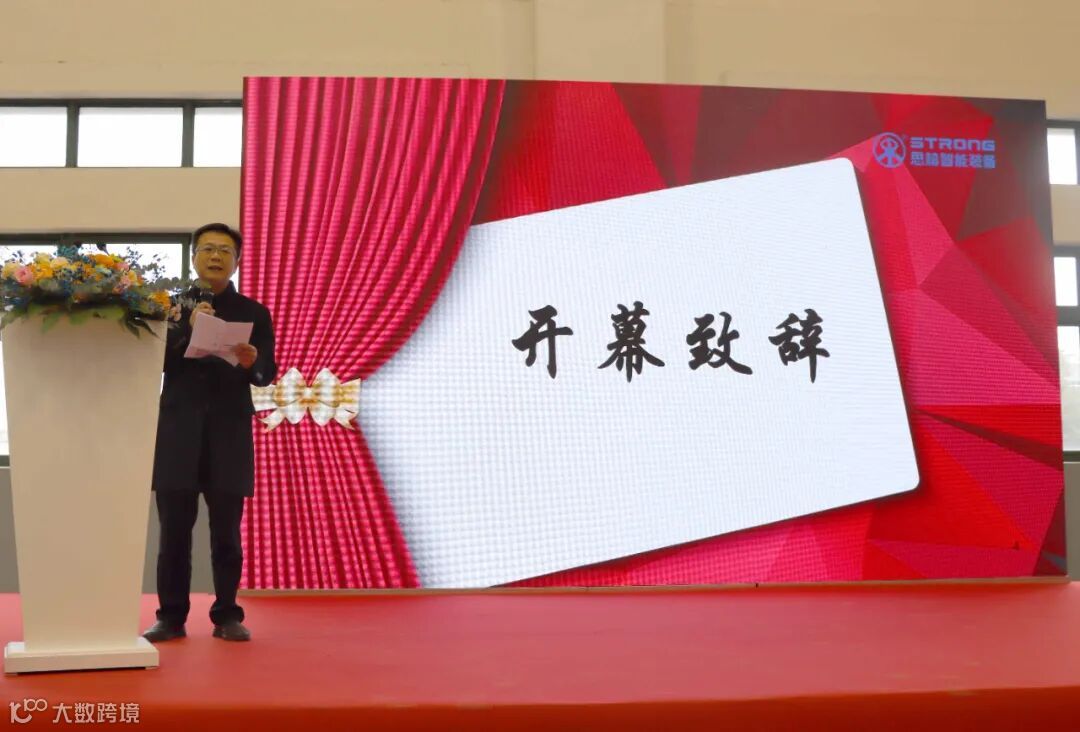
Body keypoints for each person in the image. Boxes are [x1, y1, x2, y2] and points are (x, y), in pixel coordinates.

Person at [142, 223, 277, 643]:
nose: (216, 256)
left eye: (225, 251)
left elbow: (266, 374)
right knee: (173, 534)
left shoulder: (254, 312)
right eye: (207, 249)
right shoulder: (170, 307)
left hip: (228, 432)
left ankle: (227, 615)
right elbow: (154, 363)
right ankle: (170, 617)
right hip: (178, 432)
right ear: (194, 257)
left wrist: (252, 362)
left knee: (227, 534)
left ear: (237, 261)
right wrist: (187, 328)